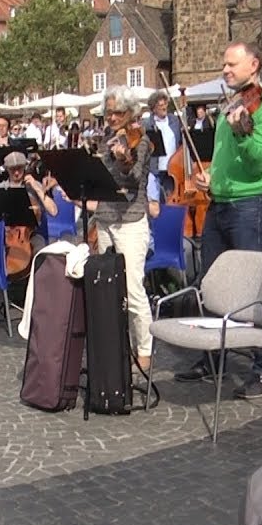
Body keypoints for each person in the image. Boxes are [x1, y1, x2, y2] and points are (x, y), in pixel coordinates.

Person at [174, 42, 262, 399]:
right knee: (211, 286)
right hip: (220, 203)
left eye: (231, 64)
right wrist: (213, 178)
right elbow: (228, 161)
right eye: (224, 63)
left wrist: (242, 132)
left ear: (254, 64)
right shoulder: (230, 107)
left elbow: (256, 162)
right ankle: (213, 359)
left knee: (255, 292)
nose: (224, 69)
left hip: (251, 205)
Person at [93, 86, 155, 373]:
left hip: (130, 222)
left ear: (130, 112)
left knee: (133, 289)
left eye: (118, 112)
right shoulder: (106, 140)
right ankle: (117, 347)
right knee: (108, 289)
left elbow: (134, 179)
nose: (113, 117)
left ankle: (144, 350)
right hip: (105, 219)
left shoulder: (140, 141)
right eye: (109, 112)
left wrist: (122, 160)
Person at [0, 151, 58, 254]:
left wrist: (37, 189)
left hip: (31, 234)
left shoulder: (34, 186)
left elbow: (53, 211)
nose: (16, 173)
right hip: (8, 233)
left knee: (39, 250)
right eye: (12, 169)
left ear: (25, 167)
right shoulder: (0, 188)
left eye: (19, 168)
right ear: (7, 169)